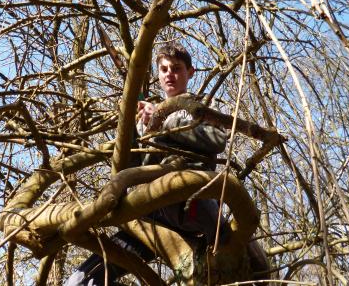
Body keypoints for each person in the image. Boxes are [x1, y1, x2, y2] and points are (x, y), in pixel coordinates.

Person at [65, 43, 227, 285]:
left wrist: (163, 122)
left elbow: (218, 140)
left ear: (190, 72)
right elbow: (131, 163)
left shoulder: (199, 107)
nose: (169, 74)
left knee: (221, 263)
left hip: (192, 203)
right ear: (157, 74)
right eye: (164, 69)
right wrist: (130, 125)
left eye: (176, 68)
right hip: (151, 214)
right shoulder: (146, 115)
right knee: (83, 280)